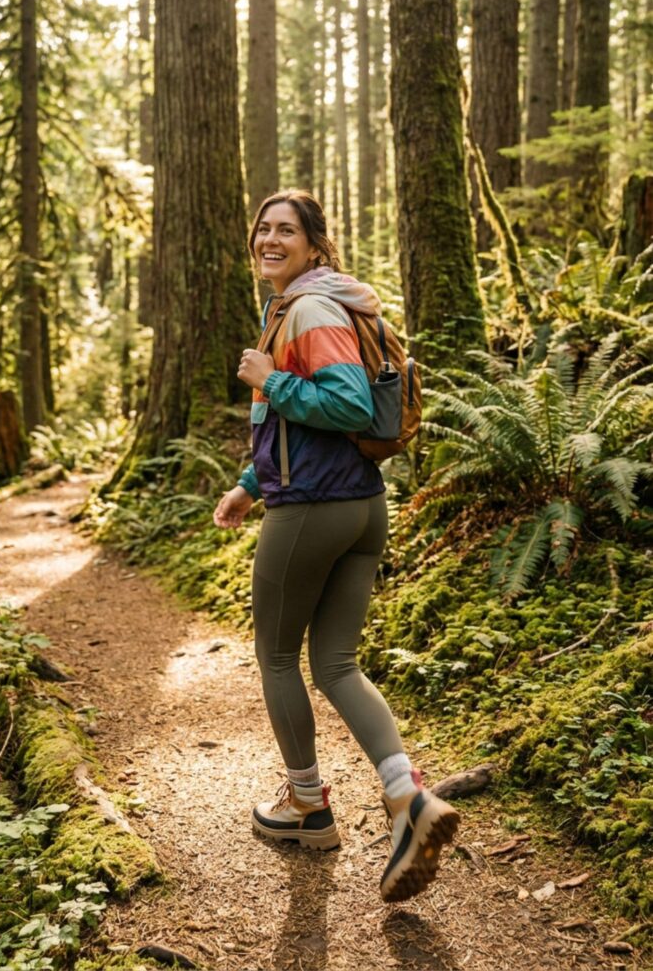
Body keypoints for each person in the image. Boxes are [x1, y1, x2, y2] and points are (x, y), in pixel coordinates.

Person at [213, 190, 459, 903]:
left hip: (315, 512)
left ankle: (305, 808)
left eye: (286, 230)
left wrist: (272, 379)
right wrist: (247, 484)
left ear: (316, 247)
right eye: (261, 227)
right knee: (336, 663)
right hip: (360, 506)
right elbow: (294, 430)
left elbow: (347, 405)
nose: (268, 238)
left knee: (277, 657)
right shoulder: (314, 302)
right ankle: (407, 797)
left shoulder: (312, 308)